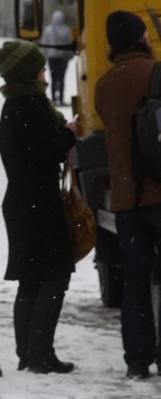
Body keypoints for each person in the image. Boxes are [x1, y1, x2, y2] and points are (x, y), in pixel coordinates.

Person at [0, 39, 79, 374]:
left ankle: (29, 353)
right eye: (41, 67)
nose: (46, 73)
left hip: (22, 201)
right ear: (30, 71)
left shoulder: (14, 104)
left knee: (30, 278)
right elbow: (46, 152)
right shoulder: (29, 105)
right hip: (36, 204)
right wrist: (69, 133)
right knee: (55, 276)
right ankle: (39, 354)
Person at [94, 11, 161, 380]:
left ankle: (137, 360)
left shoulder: (103, 85)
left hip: (125, 199)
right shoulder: (156, 72)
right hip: (158, 190)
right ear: (140, 38)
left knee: (135, 281)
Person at [42, 10, 74, 106]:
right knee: (62, 78)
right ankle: (61, 99)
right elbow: (70, 43)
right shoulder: (66, 29)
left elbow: (44, 43)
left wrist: (45, 55)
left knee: (53, 79)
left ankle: (53, 99)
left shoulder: (48, 29)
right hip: (63, 58)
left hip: (52, 58)